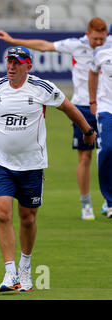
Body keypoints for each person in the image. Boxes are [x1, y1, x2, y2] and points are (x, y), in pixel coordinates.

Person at [0, 46, 96, 292]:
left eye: (17, 62)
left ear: (28, 66)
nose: (11, 66)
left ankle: (25, 267)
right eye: (9, 62)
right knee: (2, 213)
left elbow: (68, 107)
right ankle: (9, 272)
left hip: (32, 165)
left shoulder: (42, 88)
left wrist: (87, 131)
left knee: (27, 218)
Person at [0, 17, 109, 220]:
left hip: (106, 107)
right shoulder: (76, 45)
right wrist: (13, 42)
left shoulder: (109, 47)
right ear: (88, 33)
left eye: (102, 39)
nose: (99, 43)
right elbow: (44, 46)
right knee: (85, 157)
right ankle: (86, 203)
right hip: (82, 105)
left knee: (108, 152)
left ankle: (108, 198)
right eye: (96, 39)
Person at [88, 43, 112, 218]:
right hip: (107, 108)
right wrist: (92, 101)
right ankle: (109, 201)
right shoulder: (103, 53)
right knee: (107, 149)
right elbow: (93, 72)